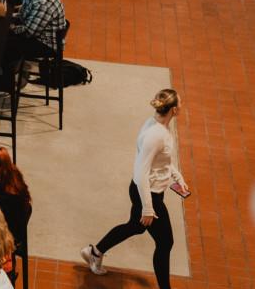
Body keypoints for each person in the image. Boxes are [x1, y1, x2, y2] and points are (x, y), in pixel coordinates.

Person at [81, 89, 189, 289]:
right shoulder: (156, 135)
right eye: (180, 103)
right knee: (165, 243)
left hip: (149, 191)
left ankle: (95, 252)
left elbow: (161, 161)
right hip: (148, 194)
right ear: (174, 110)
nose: (182, 105)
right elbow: (141, 174)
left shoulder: (157, 126)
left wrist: (177, 176)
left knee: (136, 226)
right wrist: (148, 208)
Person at [0, 0, 65, 73]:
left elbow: (28, 32)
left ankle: (6, 80)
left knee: (3, 43)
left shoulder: (43, 2)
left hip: (45, 43)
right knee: (3, 36)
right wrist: (11, 17)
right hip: (38, 33)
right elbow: (26, 13)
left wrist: (10, 28)